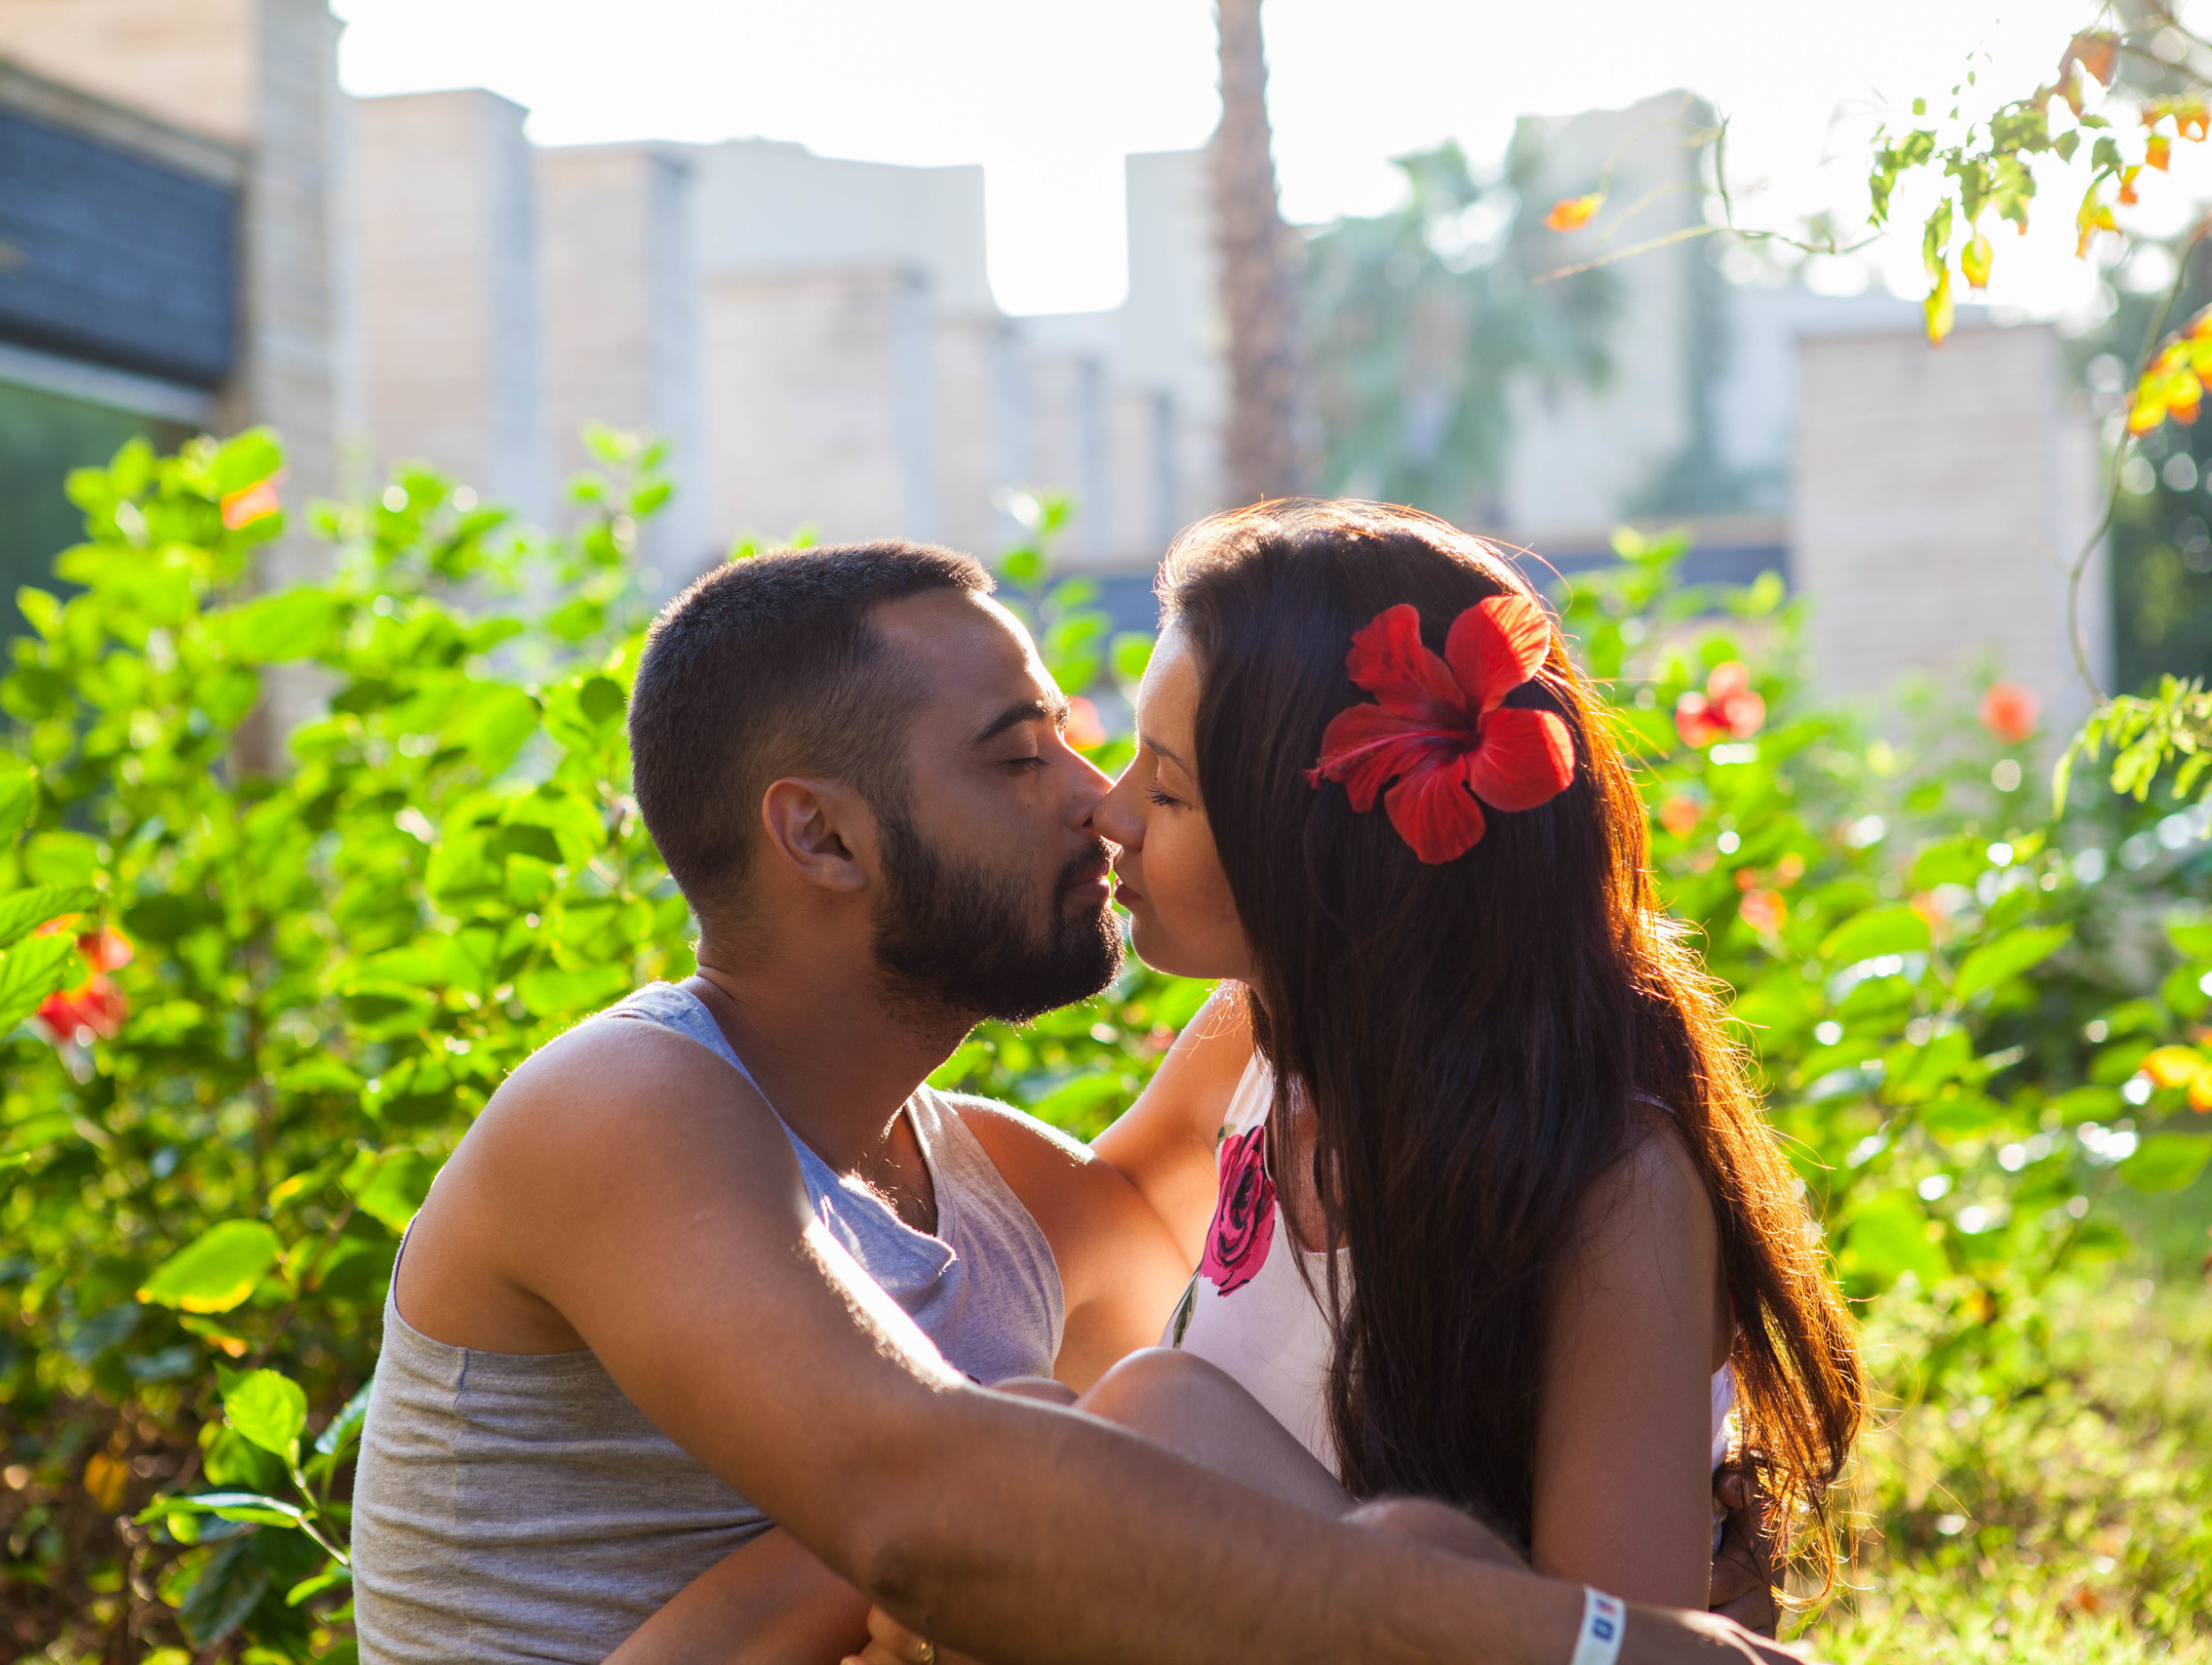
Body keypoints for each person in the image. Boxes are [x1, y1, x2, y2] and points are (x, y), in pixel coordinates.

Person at [351, 539, 1813, 1665]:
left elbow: (1331, 1042)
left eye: (1110, 756)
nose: (1095, 797)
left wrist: (1377, 879)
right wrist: (1604, 1643)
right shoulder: (624, 1107)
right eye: (1017, 754)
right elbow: (923, 1511)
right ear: (822, 833)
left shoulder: (990, 1187)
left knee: (1161, 1430)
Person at [840, 500, 1863, 1665]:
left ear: (1319, 847)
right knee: (1015, 1452)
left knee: (1146, 1422)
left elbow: (1621, 1641)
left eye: (1165, 790)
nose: (1110, 812)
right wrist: (796, 1112)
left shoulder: (1604, 1186)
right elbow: (1099, 1219)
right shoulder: (1261, 1048)